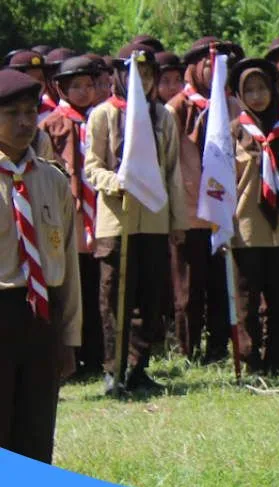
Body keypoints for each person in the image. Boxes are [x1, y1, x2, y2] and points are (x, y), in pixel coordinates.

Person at [84, 44, 187, 394]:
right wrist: (116, 183)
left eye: (146, 75)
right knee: (114, 297)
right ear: (119, 76)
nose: (139, 81)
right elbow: (91, 167)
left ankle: (139, 367)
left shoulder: (163, 116)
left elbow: (171, 171)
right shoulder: (104, 115)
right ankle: (113, 370)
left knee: (149, 296)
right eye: (132, 74)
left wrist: (176, 221)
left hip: (154, 219)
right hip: (117, 219)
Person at [0, 69, 81, 463]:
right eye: (11, 113)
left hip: (40, 315)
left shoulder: (53, 181)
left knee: (35, 434)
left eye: (31, 111)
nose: (24, 122)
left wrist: (67, 336)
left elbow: (66, 264)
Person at [218, 59, 279, 375]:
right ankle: (250, 359)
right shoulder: (231, 132)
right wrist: (221, 225)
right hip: (245, 227)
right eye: (249, 90)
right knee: (247, 300)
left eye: (262, 88)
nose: (257, 96)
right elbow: (221, 183)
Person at [168, 37, 234, 362]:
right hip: (189, 210)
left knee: (221, 286)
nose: (215, 71)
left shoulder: (231, 106)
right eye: (209, 64)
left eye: (222, 65)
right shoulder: (177, 108)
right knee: (189, 289)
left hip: (222, 212)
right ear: (194, 67)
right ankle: (189, 348)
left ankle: (220, 347)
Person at [40, 56, 105, 378]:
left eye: (89, 85)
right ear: (61, 88)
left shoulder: (104, 118)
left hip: (102, 213)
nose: (83, 91)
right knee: (72, 288)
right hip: (71, 218)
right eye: (75, 86)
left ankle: (97, 356)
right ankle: (72, 356)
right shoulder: (51, 124)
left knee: (98, 291)